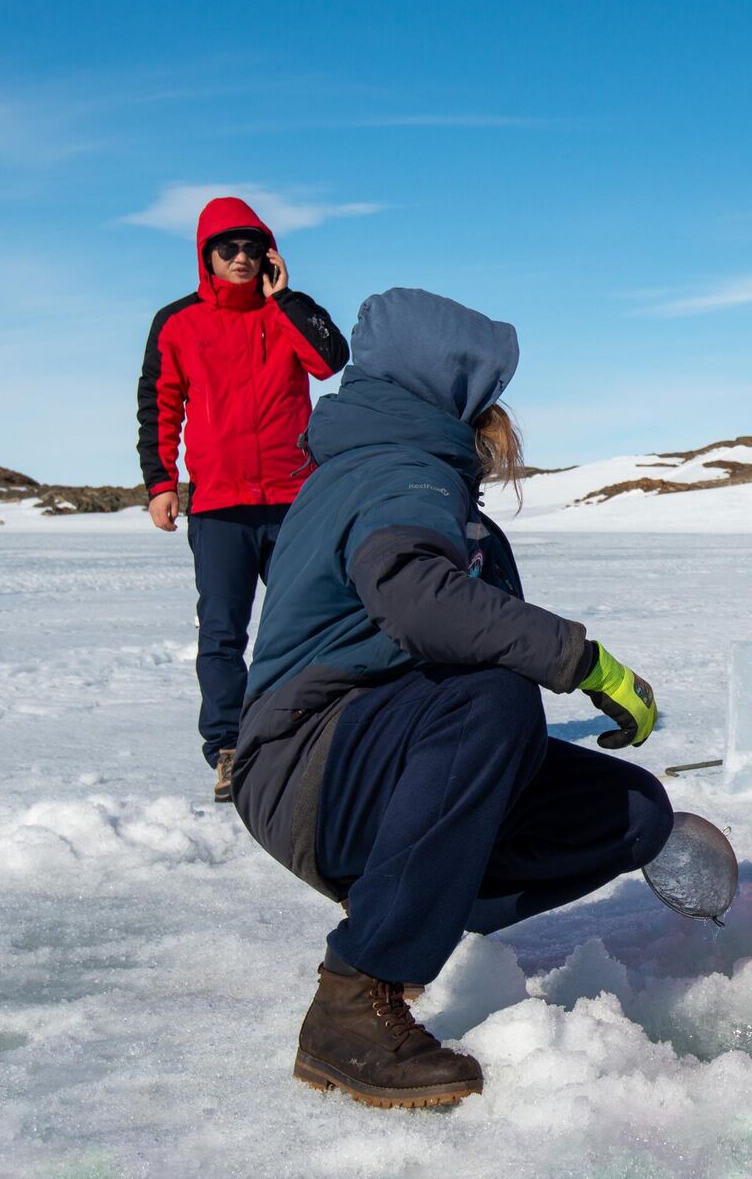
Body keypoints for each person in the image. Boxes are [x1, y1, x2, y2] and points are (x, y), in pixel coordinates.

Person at [232, 287, 671, 1109]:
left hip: (374, 759)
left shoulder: (411, 470)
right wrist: (583, 661)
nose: (499, 415)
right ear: (447, 389)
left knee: (632, 812)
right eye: (487, 393)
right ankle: (354, 999)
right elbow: (416, 597)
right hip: (306, 765)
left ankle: (410, 899)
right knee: (492, 698)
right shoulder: (397, 469)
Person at [135, 197, 348, 802]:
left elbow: (331, 361)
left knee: (308, 624)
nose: (241, 258)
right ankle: (228, 748)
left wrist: (287, 299)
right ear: (206, 255)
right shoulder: (177, 322)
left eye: (253, 248)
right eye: (228, 248)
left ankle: (307, 737)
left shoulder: (286, 312)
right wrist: (160, 484)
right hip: (219, 507)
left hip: (293, 502)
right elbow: (159, 403)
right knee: (224, 635)